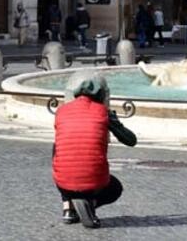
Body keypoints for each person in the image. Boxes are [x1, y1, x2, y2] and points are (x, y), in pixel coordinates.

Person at [52, 73, 137, 228]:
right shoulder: (103, 112)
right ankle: (90, 203)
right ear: (101, 96)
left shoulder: (61, 112)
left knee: (61, 154)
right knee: (115, 188)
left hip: (63, 180)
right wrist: (115, 122)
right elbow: (131, 141)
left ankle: (68, 209)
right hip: (96, 181)